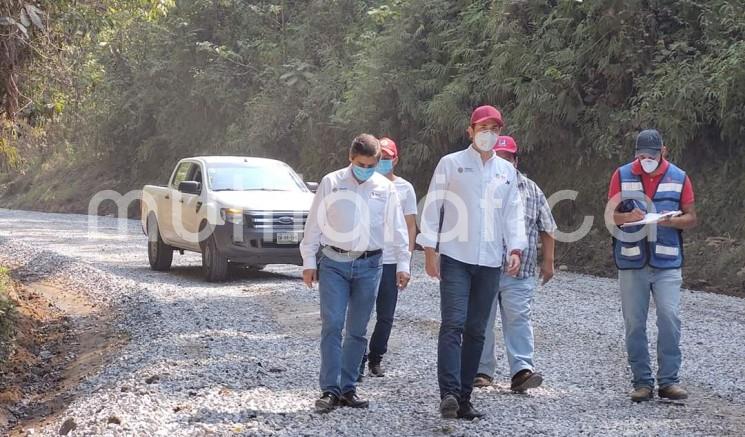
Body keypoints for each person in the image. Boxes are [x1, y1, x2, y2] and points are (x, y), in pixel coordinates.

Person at [417, 106, 527, 419]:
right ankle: (449, 393)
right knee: (453, 324)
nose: (488, 133)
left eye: (494, 128)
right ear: (470, 130)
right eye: (483, 127)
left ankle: (464, 399)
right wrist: (428, 248)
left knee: (478, 329)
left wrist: (515, 248)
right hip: (455, 257)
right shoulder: (451, 164)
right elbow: (434, 203)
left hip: (491, 261)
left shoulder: (506, 172)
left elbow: (512, 213)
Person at [300, 134, 412, 413]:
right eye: (362, 164)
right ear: (351, 158)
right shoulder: (331, 182)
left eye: (372, 165)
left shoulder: (385, 188)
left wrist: (403, 264)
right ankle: (329, 389)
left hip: (370, 265)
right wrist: (308, 261)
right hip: (334, 262)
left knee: (358, 331)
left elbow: (398, 228)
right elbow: (314, 223)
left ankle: (348, 388)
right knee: (332, 324)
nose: (367, 170)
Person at [606, 129, 697, 402]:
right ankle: (642, 382)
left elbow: (691, 218)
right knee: (634, 323)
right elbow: (610, 218)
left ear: (664, 152)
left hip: (667, 261)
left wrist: (671, 221)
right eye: (641, 155)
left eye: (651, 155)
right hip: (631, 261)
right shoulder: (621, 175)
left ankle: (669, 381)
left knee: (670, 318)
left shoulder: (679, 177)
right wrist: (627, 216)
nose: (646, 159)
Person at [472, 135, 556, 393]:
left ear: (516, 161)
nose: (506, 162)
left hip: (521, 270)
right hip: (484, 267)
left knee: (519, 318)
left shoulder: (532, 189)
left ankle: (521, 371)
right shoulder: (478, 187)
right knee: (482, 320)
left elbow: (547, 227)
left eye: (510, 158)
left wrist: (549, 262)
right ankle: (481, 371)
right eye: (501, 157)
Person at [358, 137, 418, 379]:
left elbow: (410, 225)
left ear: (395, 159)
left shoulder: (405, 188)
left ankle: (376, 357)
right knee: (361, 312)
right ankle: (357, 358)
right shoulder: (364, 183)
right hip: (367, 257)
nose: (383, 162)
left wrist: (407, 260)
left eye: (387, 157)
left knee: (386, 314)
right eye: (379, 157)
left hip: (392, 259)